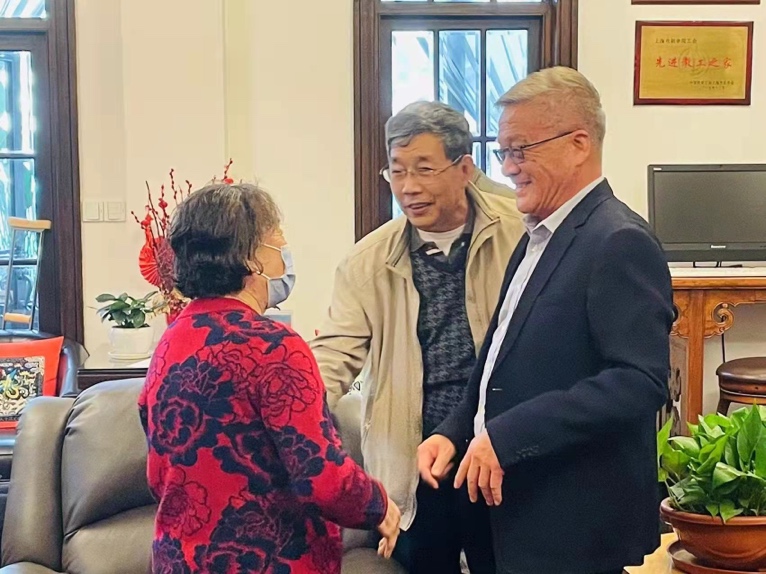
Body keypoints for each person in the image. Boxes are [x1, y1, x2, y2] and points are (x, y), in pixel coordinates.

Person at [417, 66, 675, 574]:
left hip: (570, 524)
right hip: (510, 516)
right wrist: (454, 430)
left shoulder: (619, 240)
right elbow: (498, 358)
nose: (508, 168)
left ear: (578, 144)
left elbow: (638, 381)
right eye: (503, 152)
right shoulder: (538, 234)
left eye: (521, 150)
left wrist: (508, 435)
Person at [138, 182, 400, 573]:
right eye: (277, 241)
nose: (285, 251)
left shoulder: (170, 342)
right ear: (251, 258)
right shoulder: (275, 347)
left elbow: (159, 475)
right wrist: (378, 504)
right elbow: (322, 477)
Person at [310, 101, 525, 574]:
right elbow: (334, 354)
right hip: (414, 455)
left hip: (500, 446)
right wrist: (295, 413)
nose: (408, 187)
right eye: (397, 171)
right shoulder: (367, 262)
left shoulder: (520, 236)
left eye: (424, 169)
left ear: (465, 169)